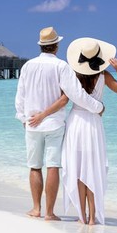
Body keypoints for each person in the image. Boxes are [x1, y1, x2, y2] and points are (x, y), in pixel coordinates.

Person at [14, 27, 104, 221]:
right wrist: (97, 107)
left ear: (41, 46)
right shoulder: (62, 66)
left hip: (32, 123)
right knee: (53, 166)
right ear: (55, 46)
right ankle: (50, 213)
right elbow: (75, 94)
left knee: (34, 166)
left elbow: (20, 95)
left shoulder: (27, 66)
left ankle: (36, 208)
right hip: (54, 124)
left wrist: (23, 118)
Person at [61, 37, 117, 225]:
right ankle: (92, 218)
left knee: (77, 168)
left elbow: (62, 100)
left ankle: (82, 216)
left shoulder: (72, 75)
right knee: (91, 168)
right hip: (93, 124)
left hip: (76, 122)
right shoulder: (104, 75)